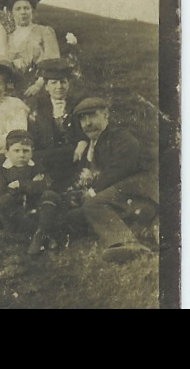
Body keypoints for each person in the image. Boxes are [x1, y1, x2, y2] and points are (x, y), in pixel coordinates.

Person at [67, 98, 158, 264]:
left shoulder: (120, 136)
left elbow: (120, 169)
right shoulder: (91, 146)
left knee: (93, 204)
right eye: (82, 119)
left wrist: (93, 191)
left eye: (92, 116)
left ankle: (128, 243)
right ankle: (137, 231)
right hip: (120, 196)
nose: (87, 123)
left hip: (138, 189)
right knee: (75, 215)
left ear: (106, 115)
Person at [0, 130, 60, 256]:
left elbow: (46, 184)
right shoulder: (3, 170)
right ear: (7, 152)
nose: (21, 155)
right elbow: (0, 190)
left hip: (36, 208)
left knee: (50, 195)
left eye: (26, 151)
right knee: (4, 201)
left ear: (32, 151)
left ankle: (40, 234)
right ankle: (40, 236)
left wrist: (20, 185)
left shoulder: (36, 166)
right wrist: (32, 185)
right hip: (17, 213)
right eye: (16, 151)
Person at [0, 0, 60, 97]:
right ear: (11, 13)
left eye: (26, 8)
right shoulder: (8, 37)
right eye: (18, 9)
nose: (23, 12)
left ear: (32, 10)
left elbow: (53, 63)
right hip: (14, 90)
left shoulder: (44, 31)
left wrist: (38, 85)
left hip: (40, 88)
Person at [26, 58, 85, 190]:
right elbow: (33, 136)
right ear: (46, 87)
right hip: (47, 159)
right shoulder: (38, 106)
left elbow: (85, 130)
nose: (59, 87)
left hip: (73, 156)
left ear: (68, 84)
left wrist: (82, 142)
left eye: (63, 82)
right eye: (54, 83)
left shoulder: (77, 103)